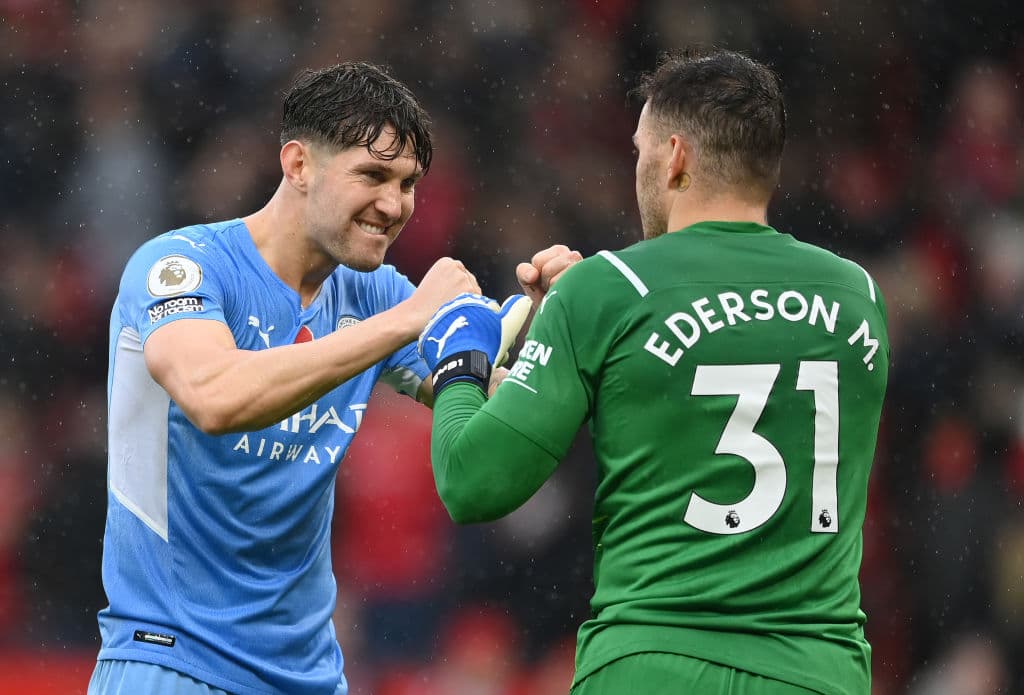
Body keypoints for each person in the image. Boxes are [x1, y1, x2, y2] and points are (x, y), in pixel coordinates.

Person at [90, 61, 576, 695]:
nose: (394, 204)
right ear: (298, 165)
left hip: (310, 676)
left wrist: (552, 327)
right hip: (171, 661)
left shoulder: (373, 293)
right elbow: (215, 395)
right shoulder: (179, 267)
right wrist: (402, 321)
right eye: (372, 175)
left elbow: (489, 409)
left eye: (408, 184)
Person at [420, 48, 890, 694]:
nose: (636, 167)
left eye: (639, 151)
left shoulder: (607, 290)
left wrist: (461, 364)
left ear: (674, 158)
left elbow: (472, 480)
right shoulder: (855, 293)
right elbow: (719, 385)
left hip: (652, 663)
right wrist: (573, 333)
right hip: (816, 671)